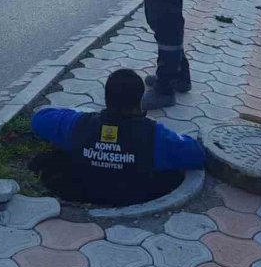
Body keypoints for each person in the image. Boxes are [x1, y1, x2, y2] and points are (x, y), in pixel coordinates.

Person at [30, 69, 205, 206]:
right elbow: (196, 154)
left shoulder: (79, 125)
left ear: (106, 99)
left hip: (82, 190)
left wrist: (79, 114)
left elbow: (40, 118)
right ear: (140, 101)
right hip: (134, 196)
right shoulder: (155, 136)